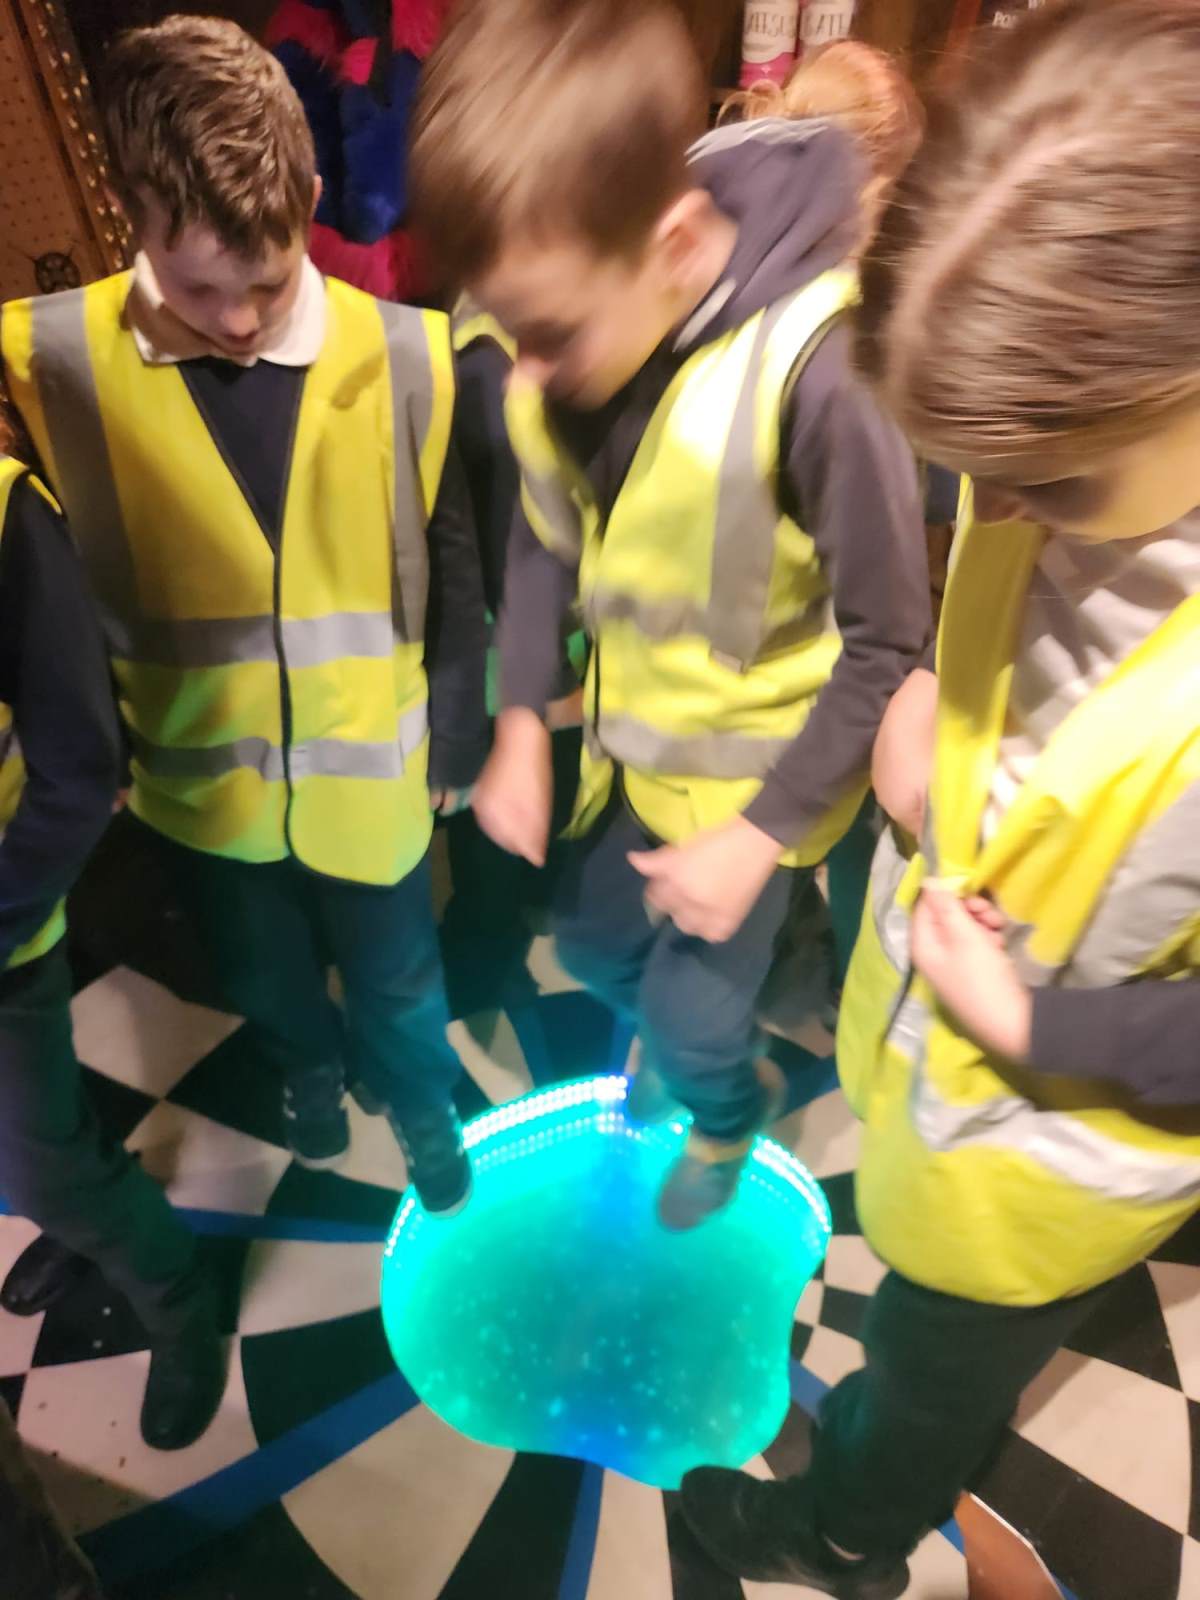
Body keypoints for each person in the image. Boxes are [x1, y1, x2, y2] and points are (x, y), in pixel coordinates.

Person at [680, 2, 1200, 1593]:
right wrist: (928, 720)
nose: (1007, 510)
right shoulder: (1052, 449)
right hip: (933, 1092)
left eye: (1050, 481)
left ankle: (847, 1534)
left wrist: (1041, 1020)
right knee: (916, 1330)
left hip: (1049, 1176)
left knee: (922, 1384)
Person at [410, 0, 930, 1231]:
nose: (525, 373)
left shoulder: (821, 378)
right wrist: (523, 723)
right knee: (593, 946)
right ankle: (700, 1040)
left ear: (679, 243)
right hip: (636, 759)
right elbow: (543, 538)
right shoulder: (573, 336)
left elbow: (891, 645)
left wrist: (755, 840)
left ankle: (729, 1107)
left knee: (697, 1016)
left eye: (549, 333)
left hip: (762, 786)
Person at [1, 17, 487, 1219]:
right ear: (131, 217)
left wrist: (460, 725)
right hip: (195, 783)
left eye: (264, 284)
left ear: (309, 202)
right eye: (199, 287)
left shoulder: (413, 355)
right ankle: (305, 1072)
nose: (235, 321)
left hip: (376, 770)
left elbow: (453, 558)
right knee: (264, 974)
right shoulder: (48, 361)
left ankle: (420, 1101)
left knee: (401, 976)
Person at [0, 431, 221, 1451]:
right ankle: (81, 1211)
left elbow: (80, 769)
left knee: (42, 1162)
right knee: (41, 1146)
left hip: (5, 924)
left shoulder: (8, 514)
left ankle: (179, 1299)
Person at [718, 41, 923, 1051]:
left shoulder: (721, 264)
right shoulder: (838, 344)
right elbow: (887, 629)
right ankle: (819, 1003)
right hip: (800, 685)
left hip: (712, 691)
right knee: (821, 856)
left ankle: (785, 985)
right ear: (873, 183)